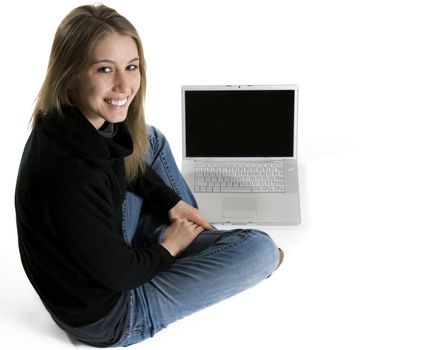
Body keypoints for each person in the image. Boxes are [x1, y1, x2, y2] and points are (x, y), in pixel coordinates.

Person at [15, 4, 283, 347]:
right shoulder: (70, 176)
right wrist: (169, 248)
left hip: (98, 255)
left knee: (148, 139)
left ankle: (169, 232)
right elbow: (119, 274)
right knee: (260, 250)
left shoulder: (67, 121)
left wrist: (172, 203)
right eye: (104, 69)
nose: (125, 85)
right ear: (69, 76)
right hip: (111, 314)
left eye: (131, 67)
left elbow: (122, 161)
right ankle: (173, 241)